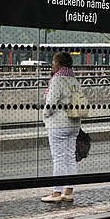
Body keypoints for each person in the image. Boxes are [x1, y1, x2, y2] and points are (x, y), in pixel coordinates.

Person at [41, 51, 82, 202]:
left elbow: (50, 103)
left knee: (58, 158)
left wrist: (45, 115)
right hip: (74, 123)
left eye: (55, 61)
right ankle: (69, 191)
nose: (52, 64)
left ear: (62, 64)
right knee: (70, 157)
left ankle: (56, 193)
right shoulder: (74, 80)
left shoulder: (57, 80)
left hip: (58, 124)